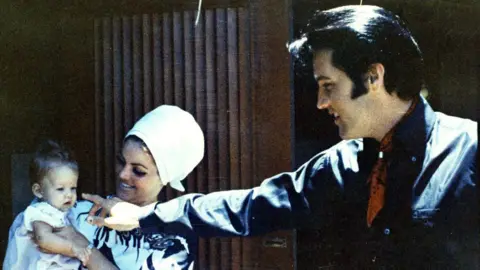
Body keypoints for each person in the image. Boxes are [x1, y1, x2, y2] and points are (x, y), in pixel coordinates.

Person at [82, 5, 478, 269]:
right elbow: (249, 206)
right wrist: (144, 216)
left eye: (328, 85)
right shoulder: (344, 163)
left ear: (373, 77)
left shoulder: (469, 152)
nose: (321, 102)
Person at [64, 105, 203, 270]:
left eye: (138, 171)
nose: (123, 174)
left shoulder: (173, 246)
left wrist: (87, 251)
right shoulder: (81, 212)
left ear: (164, 179)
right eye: (121, 162)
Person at [3, 140, 92, 269]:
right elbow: (43, 238)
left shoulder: (63, 211)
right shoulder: (39, 211)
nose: (69, 194)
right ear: (39, 191)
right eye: (60, 189)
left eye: (72, 188)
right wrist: (73, 248)